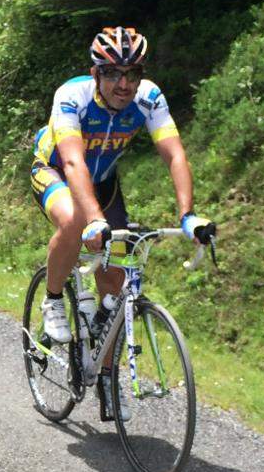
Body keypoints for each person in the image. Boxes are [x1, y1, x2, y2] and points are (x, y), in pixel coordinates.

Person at [30, 25, 211, 419]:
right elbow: (74, 161)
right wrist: (94, 221)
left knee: (115, 289)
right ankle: (54, 299)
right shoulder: (71, 97)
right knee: (76, 220)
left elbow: (175, 155)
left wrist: (187, 215)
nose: (124, 84)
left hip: (105, 182)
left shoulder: (149, 98)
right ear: (96, 74)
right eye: (113, 73)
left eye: (132, 73)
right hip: (57, 170)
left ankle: (108, 380)